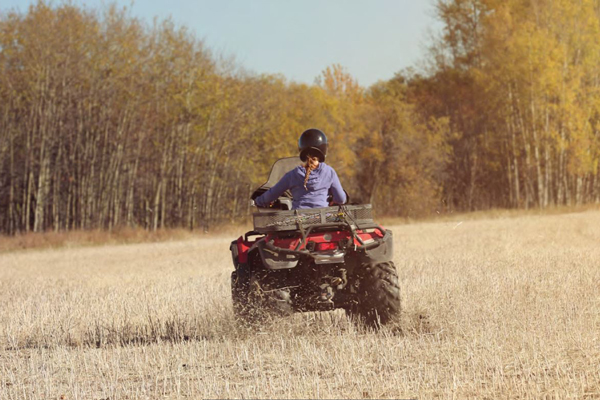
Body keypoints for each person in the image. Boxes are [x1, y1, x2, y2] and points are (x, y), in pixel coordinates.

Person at [255, 128, 347, 209]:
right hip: (322, 221)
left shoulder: (293, 175)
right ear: (324, 149)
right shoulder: (329, 172)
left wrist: (258, 201)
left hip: (298, 222)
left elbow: (272, 194)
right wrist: (333, 200)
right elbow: (341, 199)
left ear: (301, 149)